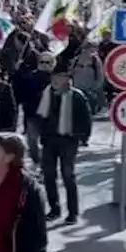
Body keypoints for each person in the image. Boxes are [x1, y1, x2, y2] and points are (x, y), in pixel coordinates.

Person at [36, 62, 92, 224]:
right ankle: (54, 209)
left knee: (68, 175)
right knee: (48, 175)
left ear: (67, 79)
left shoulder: (76, 96)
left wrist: (82, 137)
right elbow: (40, 116)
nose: (57, 80)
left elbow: (85, 118)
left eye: (61, 77)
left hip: (68, 140)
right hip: (49, 140)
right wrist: (42, 133)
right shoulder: (46, 94)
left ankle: (72, 212)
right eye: (55, 76)